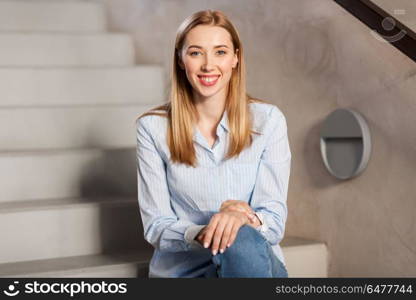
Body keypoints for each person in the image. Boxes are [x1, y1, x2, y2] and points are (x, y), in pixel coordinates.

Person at [135, 9, 291, 278]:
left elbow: (274, 224)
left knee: (241, 236)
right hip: (185, 272)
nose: (208, 65)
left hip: (254, 264)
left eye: (220, 52)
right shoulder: (152, 128)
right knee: (234, 231)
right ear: (181, 60)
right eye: (196, 52)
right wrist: (210, 231)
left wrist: (242, 219)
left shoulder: (269, 121)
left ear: (235, 59)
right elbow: (156, 226)